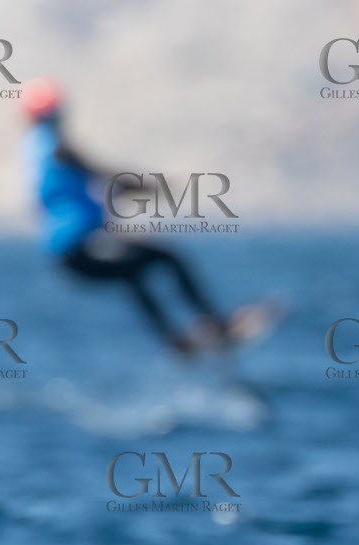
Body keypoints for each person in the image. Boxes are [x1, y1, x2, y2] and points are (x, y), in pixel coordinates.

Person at [19, 78, 243, 356]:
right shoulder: (57, 148)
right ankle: (215, 326)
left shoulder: (34, 148)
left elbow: (91, 186)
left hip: (70, 252)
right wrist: (154, 185)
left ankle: (176, 342)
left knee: (134, 273)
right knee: (168, 258)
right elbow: (106, 175)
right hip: (81, 248)